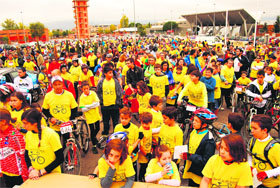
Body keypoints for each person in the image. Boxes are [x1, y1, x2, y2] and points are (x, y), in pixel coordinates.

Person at [22, 108, 64, 180]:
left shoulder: (51, 134)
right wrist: (31, 169)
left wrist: (41, 172)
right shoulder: (28, 134)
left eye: (25, 123)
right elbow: (27, 154)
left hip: (52, 175)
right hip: (35, 176)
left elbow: (60, 158)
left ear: (35, 123)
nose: (23, 126)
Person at [181, 108, 216, 187]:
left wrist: (189, 156)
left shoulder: (209, 140)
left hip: (199, 175)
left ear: (204, 125)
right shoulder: (194, 131)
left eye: (196, 121)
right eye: (193, 120)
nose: (193, 122)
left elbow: (206, 160)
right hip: (191, 170)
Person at [42, 75, 78, 144]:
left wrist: (71, 119)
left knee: (67, 144)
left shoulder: (69, 95)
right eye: (55, 85)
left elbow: (74, 108)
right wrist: (50, 118)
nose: (58, 86)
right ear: (52, 85)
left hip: (66, 125)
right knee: (57, 145)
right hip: (54, 126)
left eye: (59, 84)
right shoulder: (48, 96)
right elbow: (45, 110)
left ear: (62, 84)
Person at [248, 114, 280, 188]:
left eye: (255, 128)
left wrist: (267, 174)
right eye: (251, 127)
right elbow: (250, 155)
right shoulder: (253, 141)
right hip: (255, 182)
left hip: (271, 185)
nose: (251, 131)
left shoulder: (275, 147)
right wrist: (250, 166)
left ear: (264, 130)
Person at [0, 108, 28, 187]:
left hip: (17, 175)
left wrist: (24, 175)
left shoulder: (15, 135)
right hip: (5, 173)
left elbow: (23, 156)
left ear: (3, 121)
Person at [114, 107, 141, 181]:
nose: (123, 120)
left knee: (133, 177)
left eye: (126, 118)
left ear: (130, 118)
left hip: (132, 158)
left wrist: (133, 156)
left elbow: (137, 145)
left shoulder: (135, 128)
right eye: (122, 118)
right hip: (121, 157)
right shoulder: (117, 127)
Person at [97, 65, 122, 136]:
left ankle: (116, 133)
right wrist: (101, 101)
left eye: (112, 73)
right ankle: (106, 132)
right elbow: (98, 92)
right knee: (106, 120)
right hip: (105, 105)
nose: (111, 74)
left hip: (114, 105)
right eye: (109, 73)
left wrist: (118, 102)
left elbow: (119, 92)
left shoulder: (115, 81)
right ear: (105, 74)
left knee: (115, 121)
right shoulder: (101, 82)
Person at [79, 81, 101, 154]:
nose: (86, 90)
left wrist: (87, 106)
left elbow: (97, 103)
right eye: (84, 89)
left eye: (87, 88)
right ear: (82, 89)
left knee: (98, 128)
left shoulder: (93, 93)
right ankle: (94, 145)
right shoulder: (81, 97)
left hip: (96, 114)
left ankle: (93, 138)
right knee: (92, 129)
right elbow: (83, 109)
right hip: (89, 116)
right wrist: (92, 105)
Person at [138, 112, 153, 182]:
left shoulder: (149, 129)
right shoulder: (141, 131)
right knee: (143, 167)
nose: (144, 125)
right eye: (142, 123)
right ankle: (141, 178)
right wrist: (146, 154)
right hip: (143, 154)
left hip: (148, 151)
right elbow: (140, 146)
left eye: (146, 124)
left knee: (147, 166)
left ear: (151, 122)